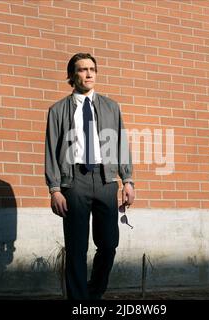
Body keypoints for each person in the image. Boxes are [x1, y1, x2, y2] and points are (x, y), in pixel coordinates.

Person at [45, 53, 135, 300]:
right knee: (76, 248)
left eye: (92, 69)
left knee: (108, 245)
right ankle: (78, 302)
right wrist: (55, 189)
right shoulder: (57, 110)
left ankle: (93, 293)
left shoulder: (110, 107)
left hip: (106, 179)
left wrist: (127, 180)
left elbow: (121, 145)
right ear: (72, 76)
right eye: (82, 69)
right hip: (74, 181)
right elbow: (52, 151)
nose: (89, 73)